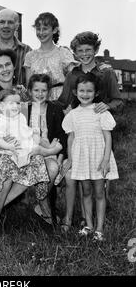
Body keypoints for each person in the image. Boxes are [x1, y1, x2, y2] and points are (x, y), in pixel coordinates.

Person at [0, 49, 51, 240]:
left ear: (14, 66)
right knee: (7, 168)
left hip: (20, 143)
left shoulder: (22, 92)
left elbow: (32, 118)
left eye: (7, 64)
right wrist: (1, 146)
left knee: (36, 163)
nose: (4, 69)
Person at [57, 31, 123, 232]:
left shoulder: (106, 72)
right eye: (80, 51)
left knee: (101, 185)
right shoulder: (72, 74)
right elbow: (63, 101)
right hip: (78, 131)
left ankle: (100, 222)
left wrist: (108, 106)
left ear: (95, 50)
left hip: (101, 130)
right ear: (75, 53)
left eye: (88, 50)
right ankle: (87, 222)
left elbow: (118, 101)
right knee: (85, 183)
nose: (85, 54)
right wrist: (64, 109)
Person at [62, 73, 119, 242]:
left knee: (99, 192)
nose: (85, 94)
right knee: (86, 191)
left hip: (98, 156)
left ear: (95, 93)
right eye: (81, 90)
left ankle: (99, 229)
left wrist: (106, 159)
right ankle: (89, 225)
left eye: (89, 91)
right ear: (75, 92)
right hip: (82, 158)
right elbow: (71, 138)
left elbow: (108, 137)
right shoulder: (73, 114)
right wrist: (71, 159)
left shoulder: (100, 111)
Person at [26, 74, 67, 224]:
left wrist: (58, 155)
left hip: (51, 152)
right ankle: (45, 209)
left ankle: (40, 198)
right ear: (30, 91)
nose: (40, 94)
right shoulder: (25, 109)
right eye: (36, 90)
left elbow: (62, 135)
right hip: (30, 152)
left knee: (54, 168)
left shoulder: (55, 108)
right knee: (40, 167)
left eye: (44, 90)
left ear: (48, 92)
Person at [0, 89, 62, 168]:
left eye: (17, 103)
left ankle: (48, 146)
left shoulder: (20, 117)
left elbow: (24, 129)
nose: (15, 106)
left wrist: (31, 131)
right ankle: (50, 151)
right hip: (14, 149)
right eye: (11, 103)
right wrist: (8, 146)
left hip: (24, 141)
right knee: (36, 149)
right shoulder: (1, 122)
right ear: (1, 106)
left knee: (36, 137)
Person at [24, 12, 79, 100]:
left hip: (60, 100)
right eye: (38, 29)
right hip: (39, 100)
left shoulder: (63, 53)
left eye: (45, 29)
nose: (41, 33)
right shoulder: (30, 56)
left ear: (54, 30)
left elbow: (74, 79)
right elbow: (29, 85)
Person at [0, 8, 32, 86]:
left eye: (10, 22)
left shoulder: (27, 52)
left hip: (20, 97)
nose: (6, 25)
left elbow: (32, 84)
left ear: (16, 26)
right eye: (2, 22)